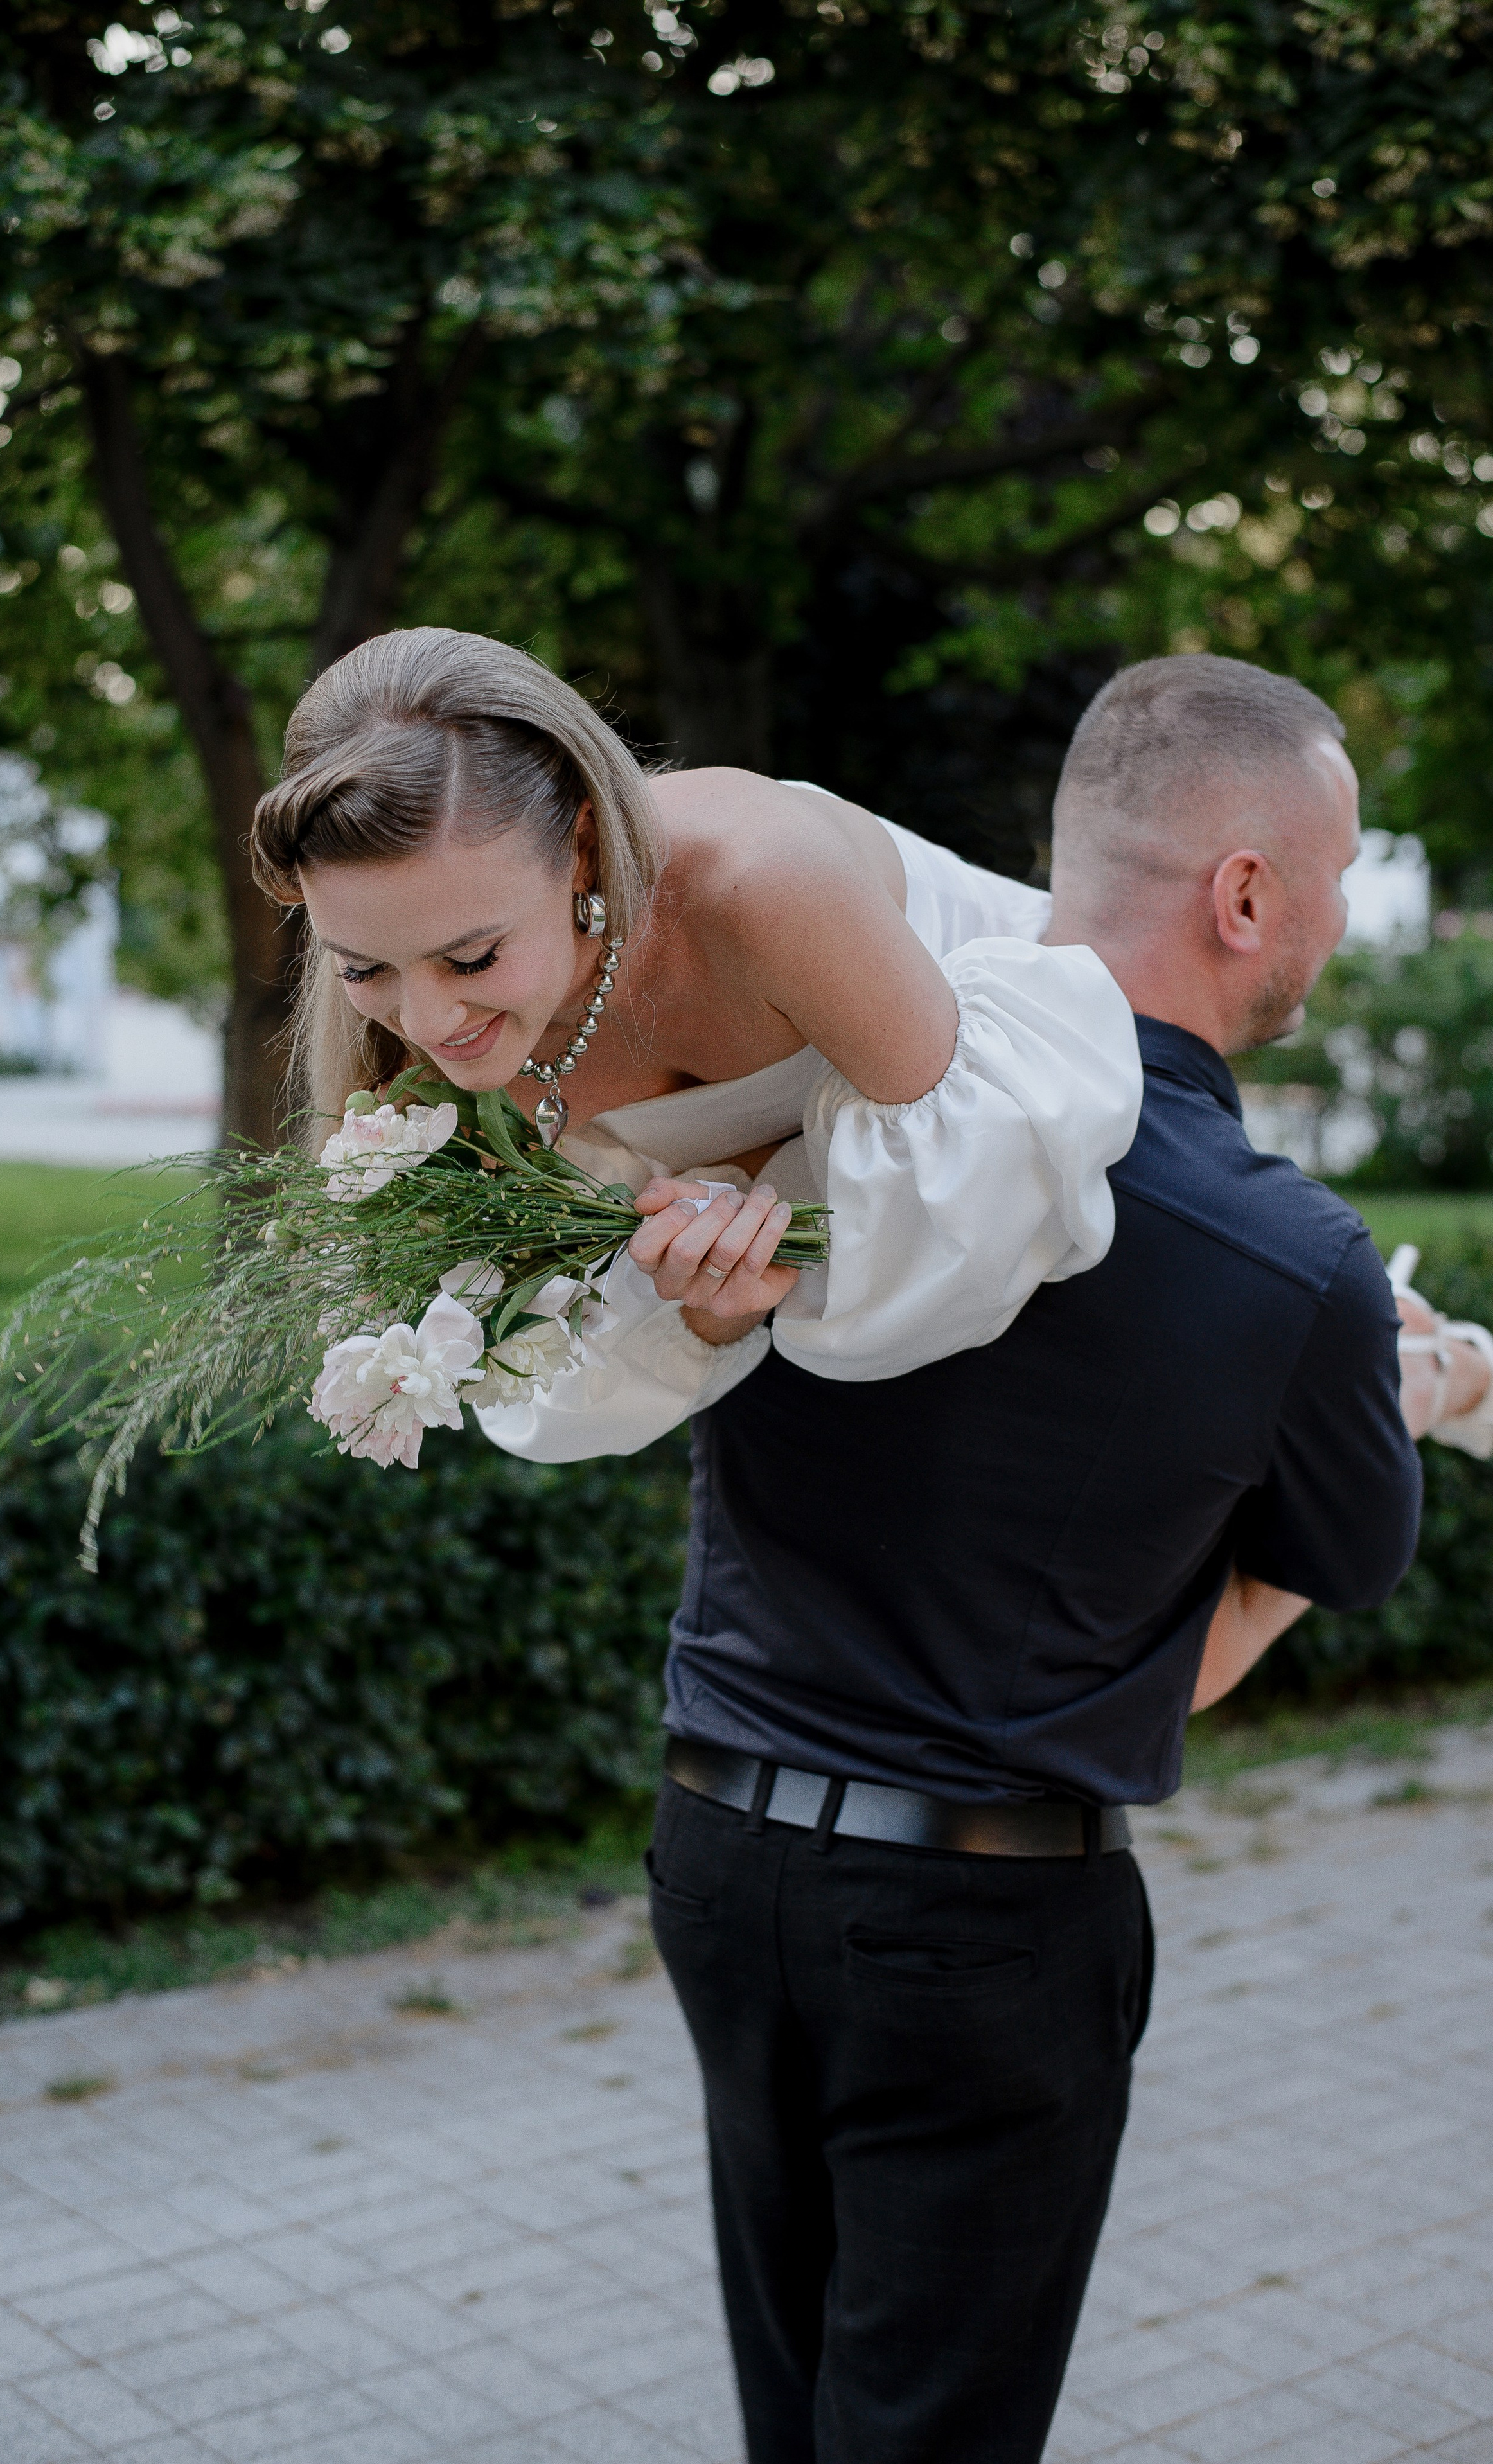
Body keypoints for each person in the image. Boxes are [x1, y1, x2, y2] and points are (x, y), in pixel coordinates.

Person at [476, 653, 1491, 2464]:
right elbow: (1301, 1579)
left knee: (799, 2415)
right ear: (1247, 890)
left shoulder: (819, 1101)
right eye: (1331, 881)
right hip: (983, 1917)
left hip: (719, 1852)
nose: (1333, 927)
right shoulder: (1297, 1265)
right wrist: (1383, 1409)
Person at [248, 626, 1144, 1396]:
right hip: (815, 1383)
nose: (432, 1020)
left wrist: (778, 1207)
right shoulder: (405, 1068)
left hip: (1101, 1156)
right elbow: (546, 1374)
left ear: (586, 852)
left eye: (474, 957)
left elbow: (982, 1212)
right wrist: (717, 1310)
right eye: (364, 967)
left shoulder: (761, 879)